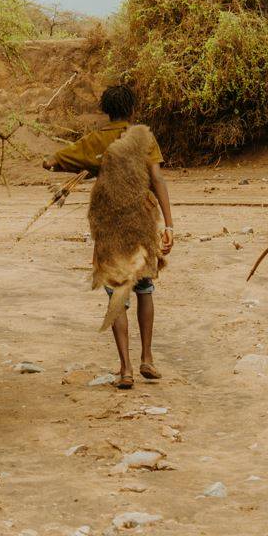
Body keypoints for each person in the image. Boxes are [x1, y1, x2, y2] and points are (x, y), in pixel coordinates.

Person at [44, 85, 173, 389]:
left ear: (106, 110)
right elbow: (157, 179)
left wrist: (55, 163)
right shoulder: (143, 138)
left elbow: (56, 160)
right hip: (141, 224)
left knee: (117, 293)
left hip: (110, 228)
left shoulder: (97, 141)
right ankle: (148, 358)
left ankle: (126, 369)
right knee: (145, 289)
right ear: (132, 110)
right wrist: (169, 224)